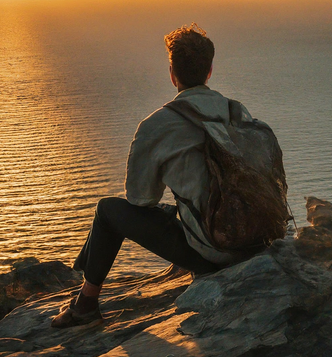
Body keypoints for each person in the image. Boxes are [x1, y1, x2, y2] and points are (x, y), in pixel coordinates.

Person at [52, 23, 244, 328]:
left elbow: (141, 199)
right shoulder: (237, 112)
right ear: (209, 71)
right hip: (256, 239)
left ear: (172, 73)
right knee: (172, 212)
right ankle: (82, 296)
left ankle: (85, 303)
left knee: (108, 211)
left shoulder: (158, 124)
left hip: (215, 253)